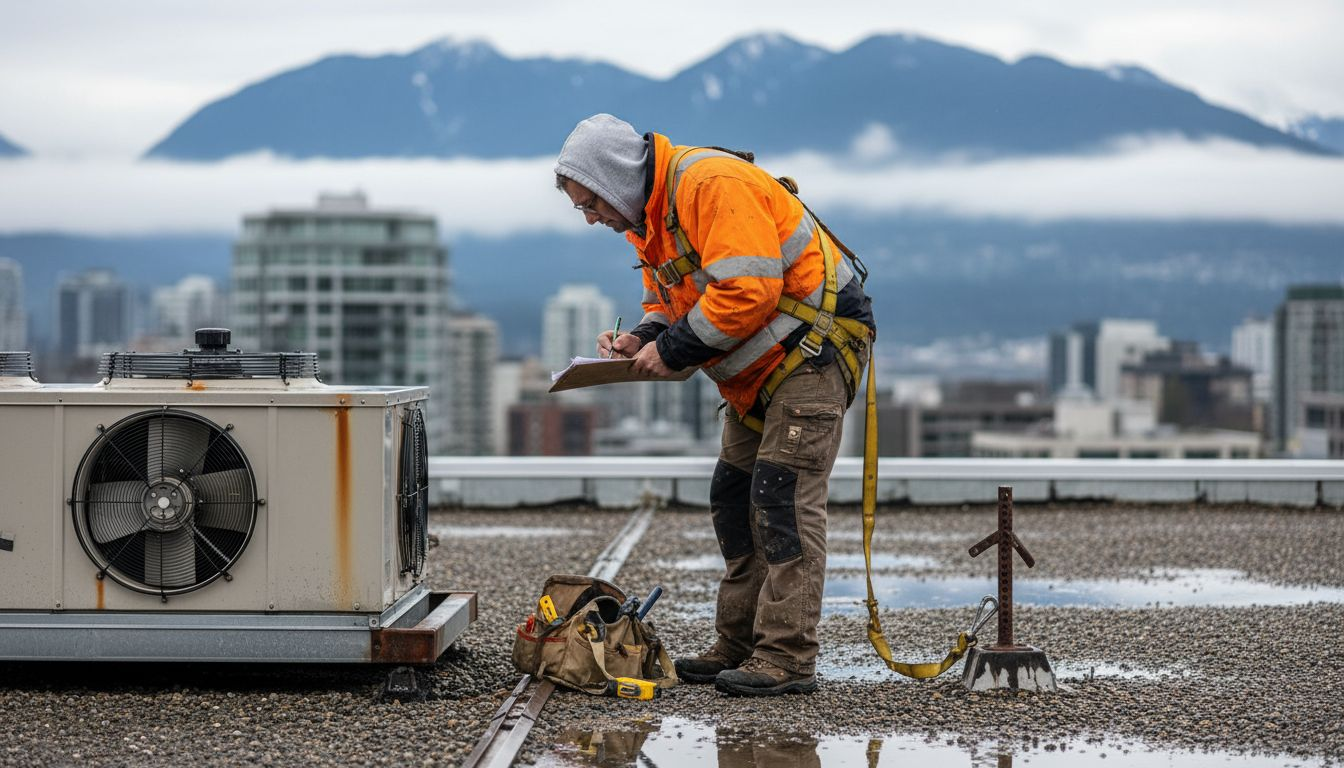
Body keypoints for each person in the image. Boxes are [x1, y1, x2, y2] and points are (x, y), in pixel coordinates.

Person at [553, 114, 875, 696]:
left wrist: (674, 348)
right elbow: (668, 303)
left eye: (591, 203)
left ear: (616, 177)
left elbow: (750, 288)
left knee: (782, 498)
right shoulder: (650, 221)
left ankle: (786, 656)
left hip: (812, 353)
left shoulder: (708, 185)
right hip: (761, 370)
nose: (592, 218)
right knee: (733, 496)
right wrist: (644, 339)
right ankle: (740, 643)